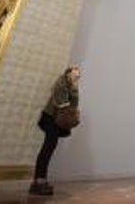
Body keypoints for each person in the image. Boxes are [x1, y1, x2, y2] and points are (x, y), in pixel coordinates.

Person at [29, 66, 81, 196]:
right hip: (51, 118)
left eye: (78, 74)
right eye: (75, 72)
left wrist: (74, 90)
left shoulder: (72, 87)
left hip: (58, 121)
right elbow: (60, 101)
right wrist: (70, 102)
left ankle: (40, 181)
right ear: (68, 73)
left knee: (50, 147)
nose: (77, 75)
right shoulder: (61, 82)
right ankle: (39, 182)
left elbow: (74, 105)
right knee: (48, 147)